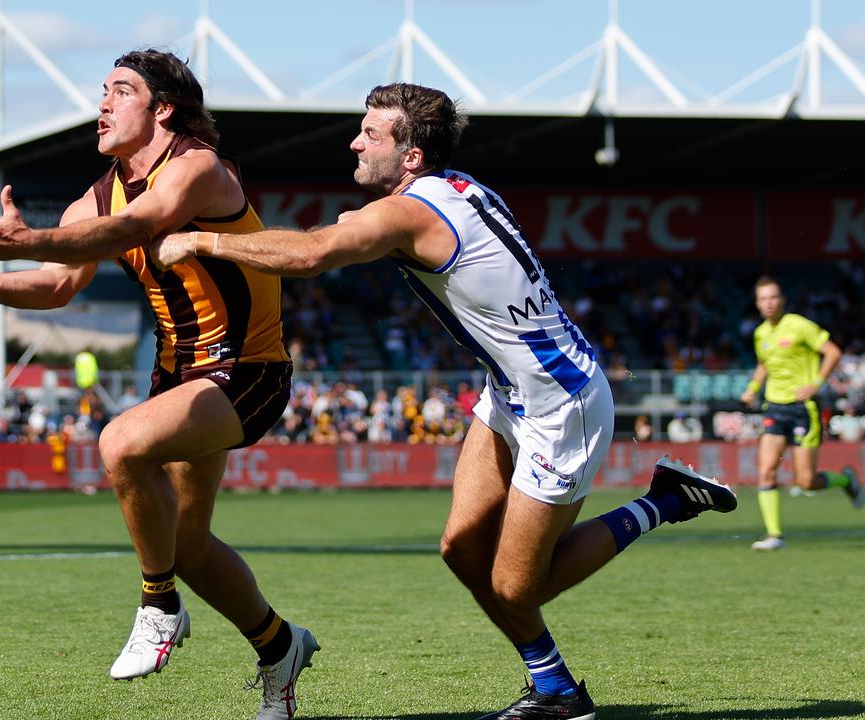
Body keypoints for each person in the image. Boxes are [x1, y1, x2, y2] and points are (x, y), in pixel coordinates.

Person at [151, 82, 738, 720]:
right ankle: (556, 691)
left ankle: (663, 502)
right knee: (460, 549)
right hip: (512, 393)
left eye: (372, 133)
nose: (355, 140)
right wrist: (363, 226)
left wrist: (201, 242)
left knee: (518, 586)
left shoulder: (410, 213)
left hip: (561, 405)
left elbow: (315, 253)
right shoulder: (450, 188)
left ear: (410, 156)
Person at [0, 49, 316, 719]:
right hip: (179, 375)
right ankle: (279, 646)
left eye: (120, 91)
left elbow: (142, 225)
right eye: (102, 92)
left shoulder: (198, 167)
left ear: (163, 108)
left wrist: (25, 241)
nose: (103, 104)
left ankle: (157, 605)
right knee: (190, 545)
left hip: (248, 370)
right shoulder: (99, 191)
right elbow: (60, 285)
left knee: (119, 444)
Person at [740, 276, 862, 552]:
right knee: (766, 469)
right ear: (758, 304)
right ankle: (774, 535)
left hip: (803, 408)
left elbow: (833, 352)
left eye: (773, 297)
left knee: (805, 481)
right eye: (763, 299)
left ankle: (846, 479)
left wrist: (816, 383)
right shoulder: (761, 333)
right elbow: (763, 364)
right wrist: (752, 388)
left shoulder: (799, 325)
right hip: (775, 406)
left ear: (782, 300)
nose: (769, 303)